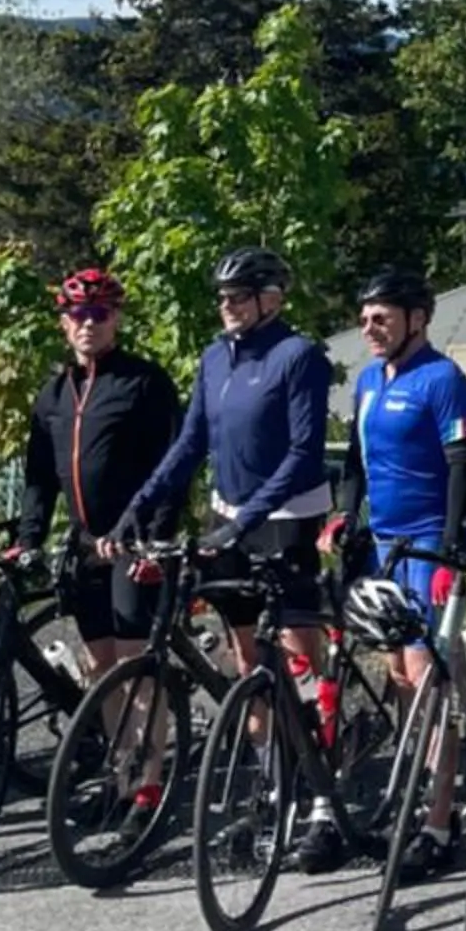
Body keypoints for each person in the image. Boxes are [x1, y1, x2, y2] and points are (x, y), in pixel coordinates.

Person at [327, 265, 466, 882]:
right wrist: (343, 516)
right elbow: (356, 464)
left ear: (416, 319)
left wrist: (446, 551)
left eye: (381, 315)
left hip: (427, 545)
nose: (370, 326)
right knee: (400, 676)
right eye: (364, 317)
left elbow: (463, 465)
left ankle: (441, 822)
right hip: (384, 544)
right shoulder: (368, 379)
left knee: (425, 679)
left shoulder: (443, 380)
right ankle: (425, 792)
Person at [121, 244, 332, 675]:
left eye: (237, 296)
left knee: (297, 655)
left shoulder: (297, 355)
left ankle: (318, 733)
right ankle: (255, 742)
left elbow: (303, 453)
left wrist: (248, 518)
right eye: (222, 297)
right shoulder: (215, 357)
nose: (226, 305)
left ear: (270, 298)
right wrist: (139, 504)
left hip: (286, 515)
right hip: (228, 512)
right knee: (245, 654)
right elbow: (190, 443)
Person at [9, 269, 181, 702]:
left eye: (99, 313)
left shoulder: (144, 382)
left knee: (133, 667)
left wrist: (156, 537)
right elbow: (40, 478)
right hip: (84, 546)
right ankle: (121, 767)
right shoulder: (53, 394)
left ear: (116, 318)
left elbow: (173, 465)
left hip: (134, 542)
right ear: (64, 322)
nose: (89, 323)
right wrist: (28, 538)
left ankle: (149, 772)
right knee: (101, 669)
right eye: (79, 313)